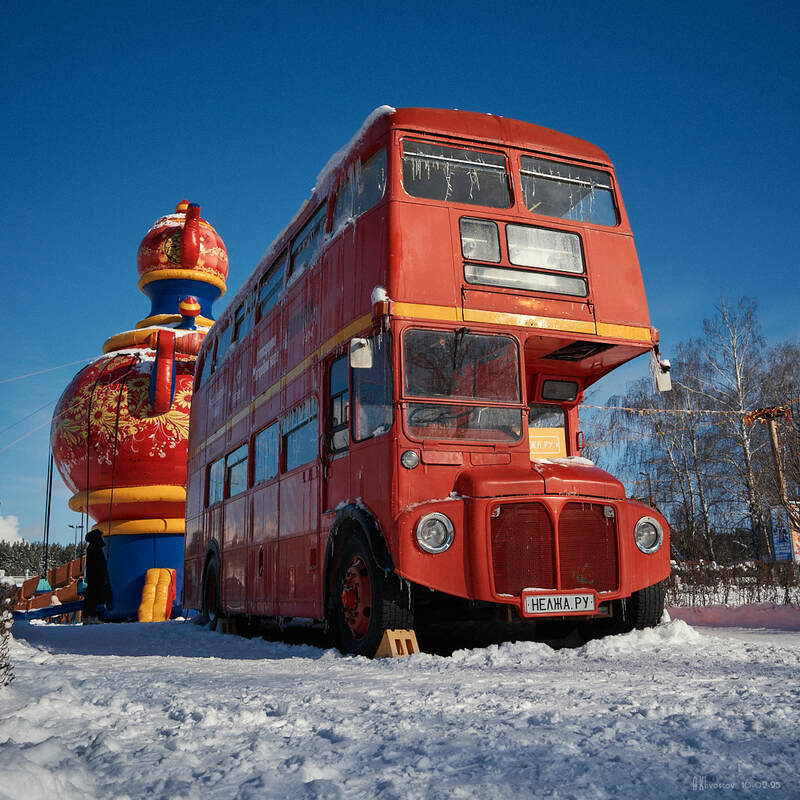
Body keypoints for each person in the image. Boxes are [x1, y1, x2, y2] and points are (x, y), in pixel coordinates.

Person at [83, 529, 111, 624]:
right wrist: (103, 577)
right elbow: (99, 565)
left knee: (90, 597)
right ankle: (92, 616)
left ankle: (87, 616)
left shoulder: (91, 548)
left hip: (93, 577)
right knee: (93, 598)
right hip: (96, 578)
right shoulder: (96, 549)